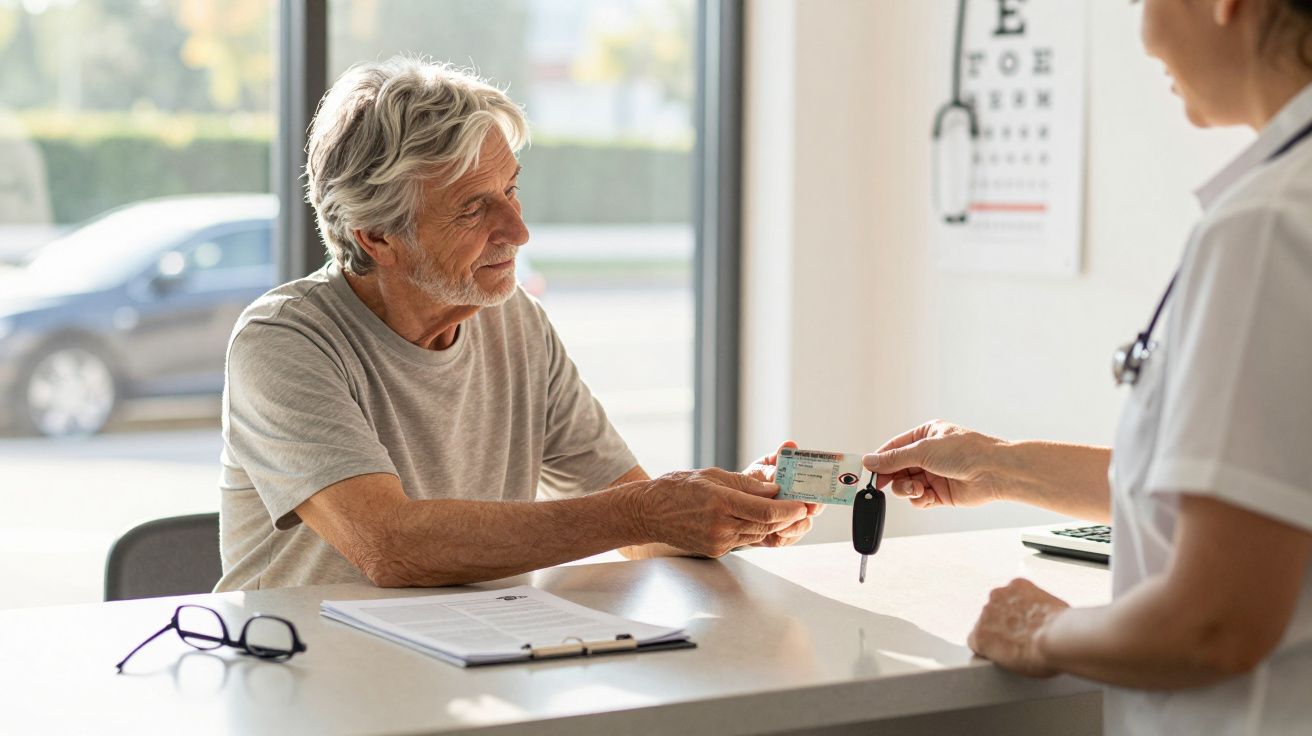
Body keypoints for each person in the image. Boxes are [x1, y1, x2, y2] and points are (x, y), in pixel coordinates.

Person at [864, 1, 1312, 733]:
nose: (1143, 34)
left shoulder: (1265, 228)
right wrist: (995, 464)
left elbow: (1214, 623)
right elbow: (1259, 490)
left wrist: (1041, 628)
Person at [216, 56, 814, 592]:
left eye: (511, 190)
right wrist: (645, 511)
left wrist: (729, 512)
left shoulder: (513, 319)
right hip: (308, 685)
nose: (518, 230)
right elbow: (390, 546)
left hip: (477, 667)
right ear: (378, 238)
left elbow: (635, 524)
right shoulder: (283, 343)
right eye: (474, 207)